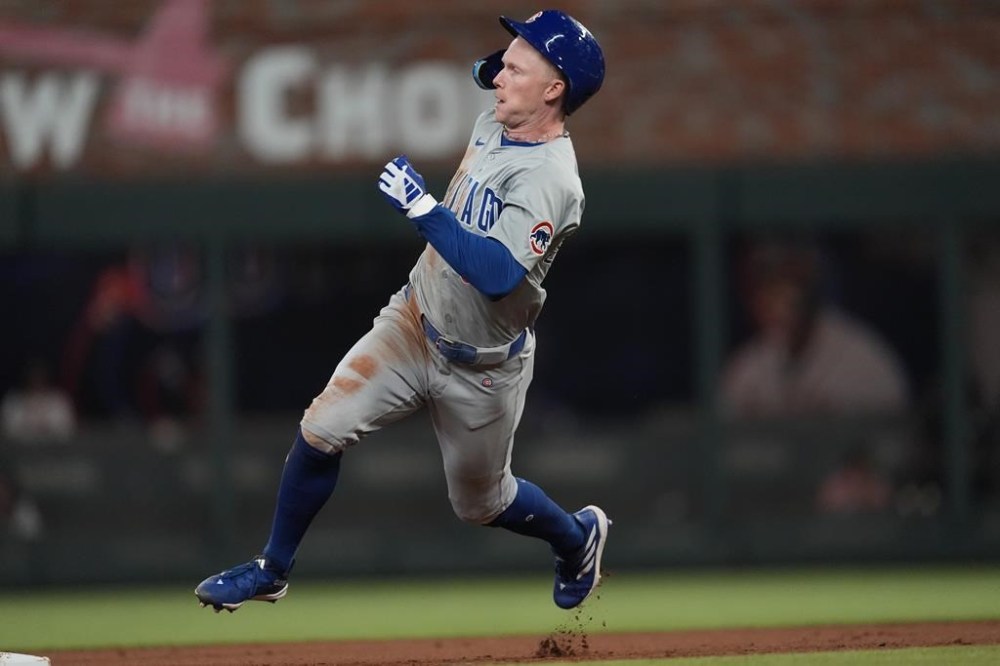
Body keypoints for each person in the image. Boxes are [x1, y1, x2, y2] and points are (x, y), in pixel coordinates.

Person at [195, 10, 609, 613]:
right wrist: (512, 62)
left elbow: (498, 276)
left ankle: (576, 539)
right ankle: (271, 568)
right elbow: (487, 73)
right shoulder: (495, 122)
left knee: (481, 505)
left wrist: (424, 209)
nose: (499, 76)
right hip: (415, 321)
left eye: (516, 67)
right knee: (321, 429)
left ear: (554, 89)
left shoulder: (554, 180)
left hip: (484, 365)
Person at [721, 241, 910, 417]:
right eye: (766, 283)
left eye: (788, 280)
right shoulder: (747, 367)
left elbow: (891, 445)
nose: (777, 296)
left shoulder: (865, 360)